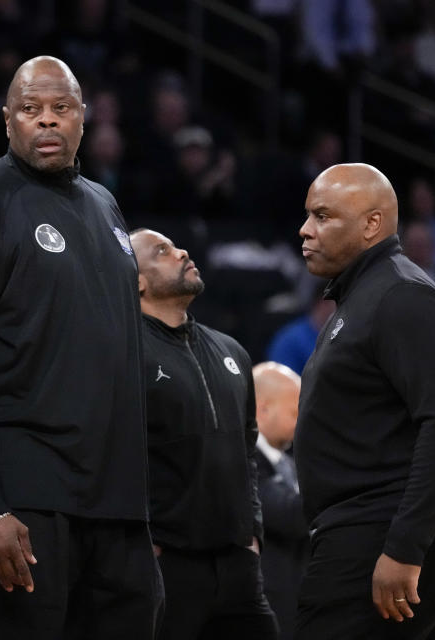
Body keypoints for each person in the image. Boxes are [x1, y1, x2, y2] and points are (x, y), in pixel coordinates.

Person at [0, 55, 164, 639]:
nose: (47, 122)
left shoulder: (105, 206)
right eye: (31, 110)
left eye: (61, 109)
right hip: (20, 503)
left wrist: (138, 510)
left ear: (84, 119)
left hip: (112, 506)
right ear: (8, 120)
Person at [294, 163, 435, 639]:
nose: (305, 229)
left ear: (371, 224)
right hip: (376, 527)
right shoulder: (366, 296)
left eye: (322, 216)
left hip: (381, 532)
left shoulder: (401, 295)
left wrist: (406, 547)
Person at [129, 227, 278, 640]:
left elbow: (248, 447)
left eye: (176, 245)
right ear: (136, 282)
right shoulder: (123, 353)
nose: (181, 252)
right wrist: (147, 546)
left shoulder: (231, 350)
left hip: (238, 563)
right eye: (162, 251)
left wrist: (254, 534)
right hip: (168, 565)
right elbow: (113, 458)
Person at [253, 361, 309, 640]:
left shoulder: (289, 463)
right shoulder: (244, 461)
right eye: (294, 413)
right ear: (262, 409)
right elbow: (289, 515)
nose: (300, 424)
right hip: (269, 604)